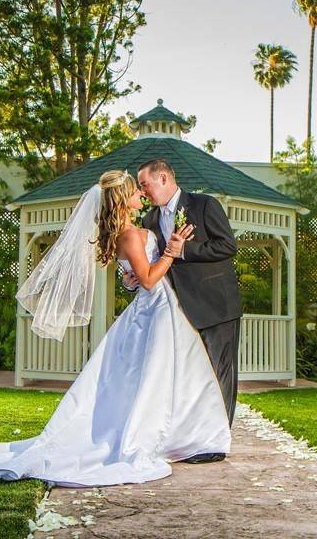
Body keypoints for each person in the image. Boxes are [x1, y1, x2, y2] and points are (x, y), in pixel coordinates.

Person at [0, 169, 232, 487]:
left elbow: (137, 277)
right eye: (137, 191)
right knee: (151, 378)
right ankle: (147, 438)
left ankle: (181, 436)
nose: (142, 194)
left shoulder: (138, 230)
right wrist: (170, 253)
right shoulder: (132, 234)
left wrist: (135, 275)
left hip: (160, 311)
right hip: (155, 309)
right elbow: (152, 280)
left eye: (143, 188)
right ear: (124, 198)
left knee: (163, 377)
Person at [126, 159, 243, 464]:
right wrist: (132, 280)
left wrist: (185, 251)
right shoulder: (150, 220)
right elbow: (153, 266)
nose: (143, 190)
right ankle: (195, 436)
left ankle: (216, 443)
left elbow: (227, 246)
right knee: (193, 376)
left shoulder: (204, 205)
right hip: (179, 310)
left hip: (217, 304)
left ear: (162, 177)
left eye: (144, 184)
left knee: (220, 373)